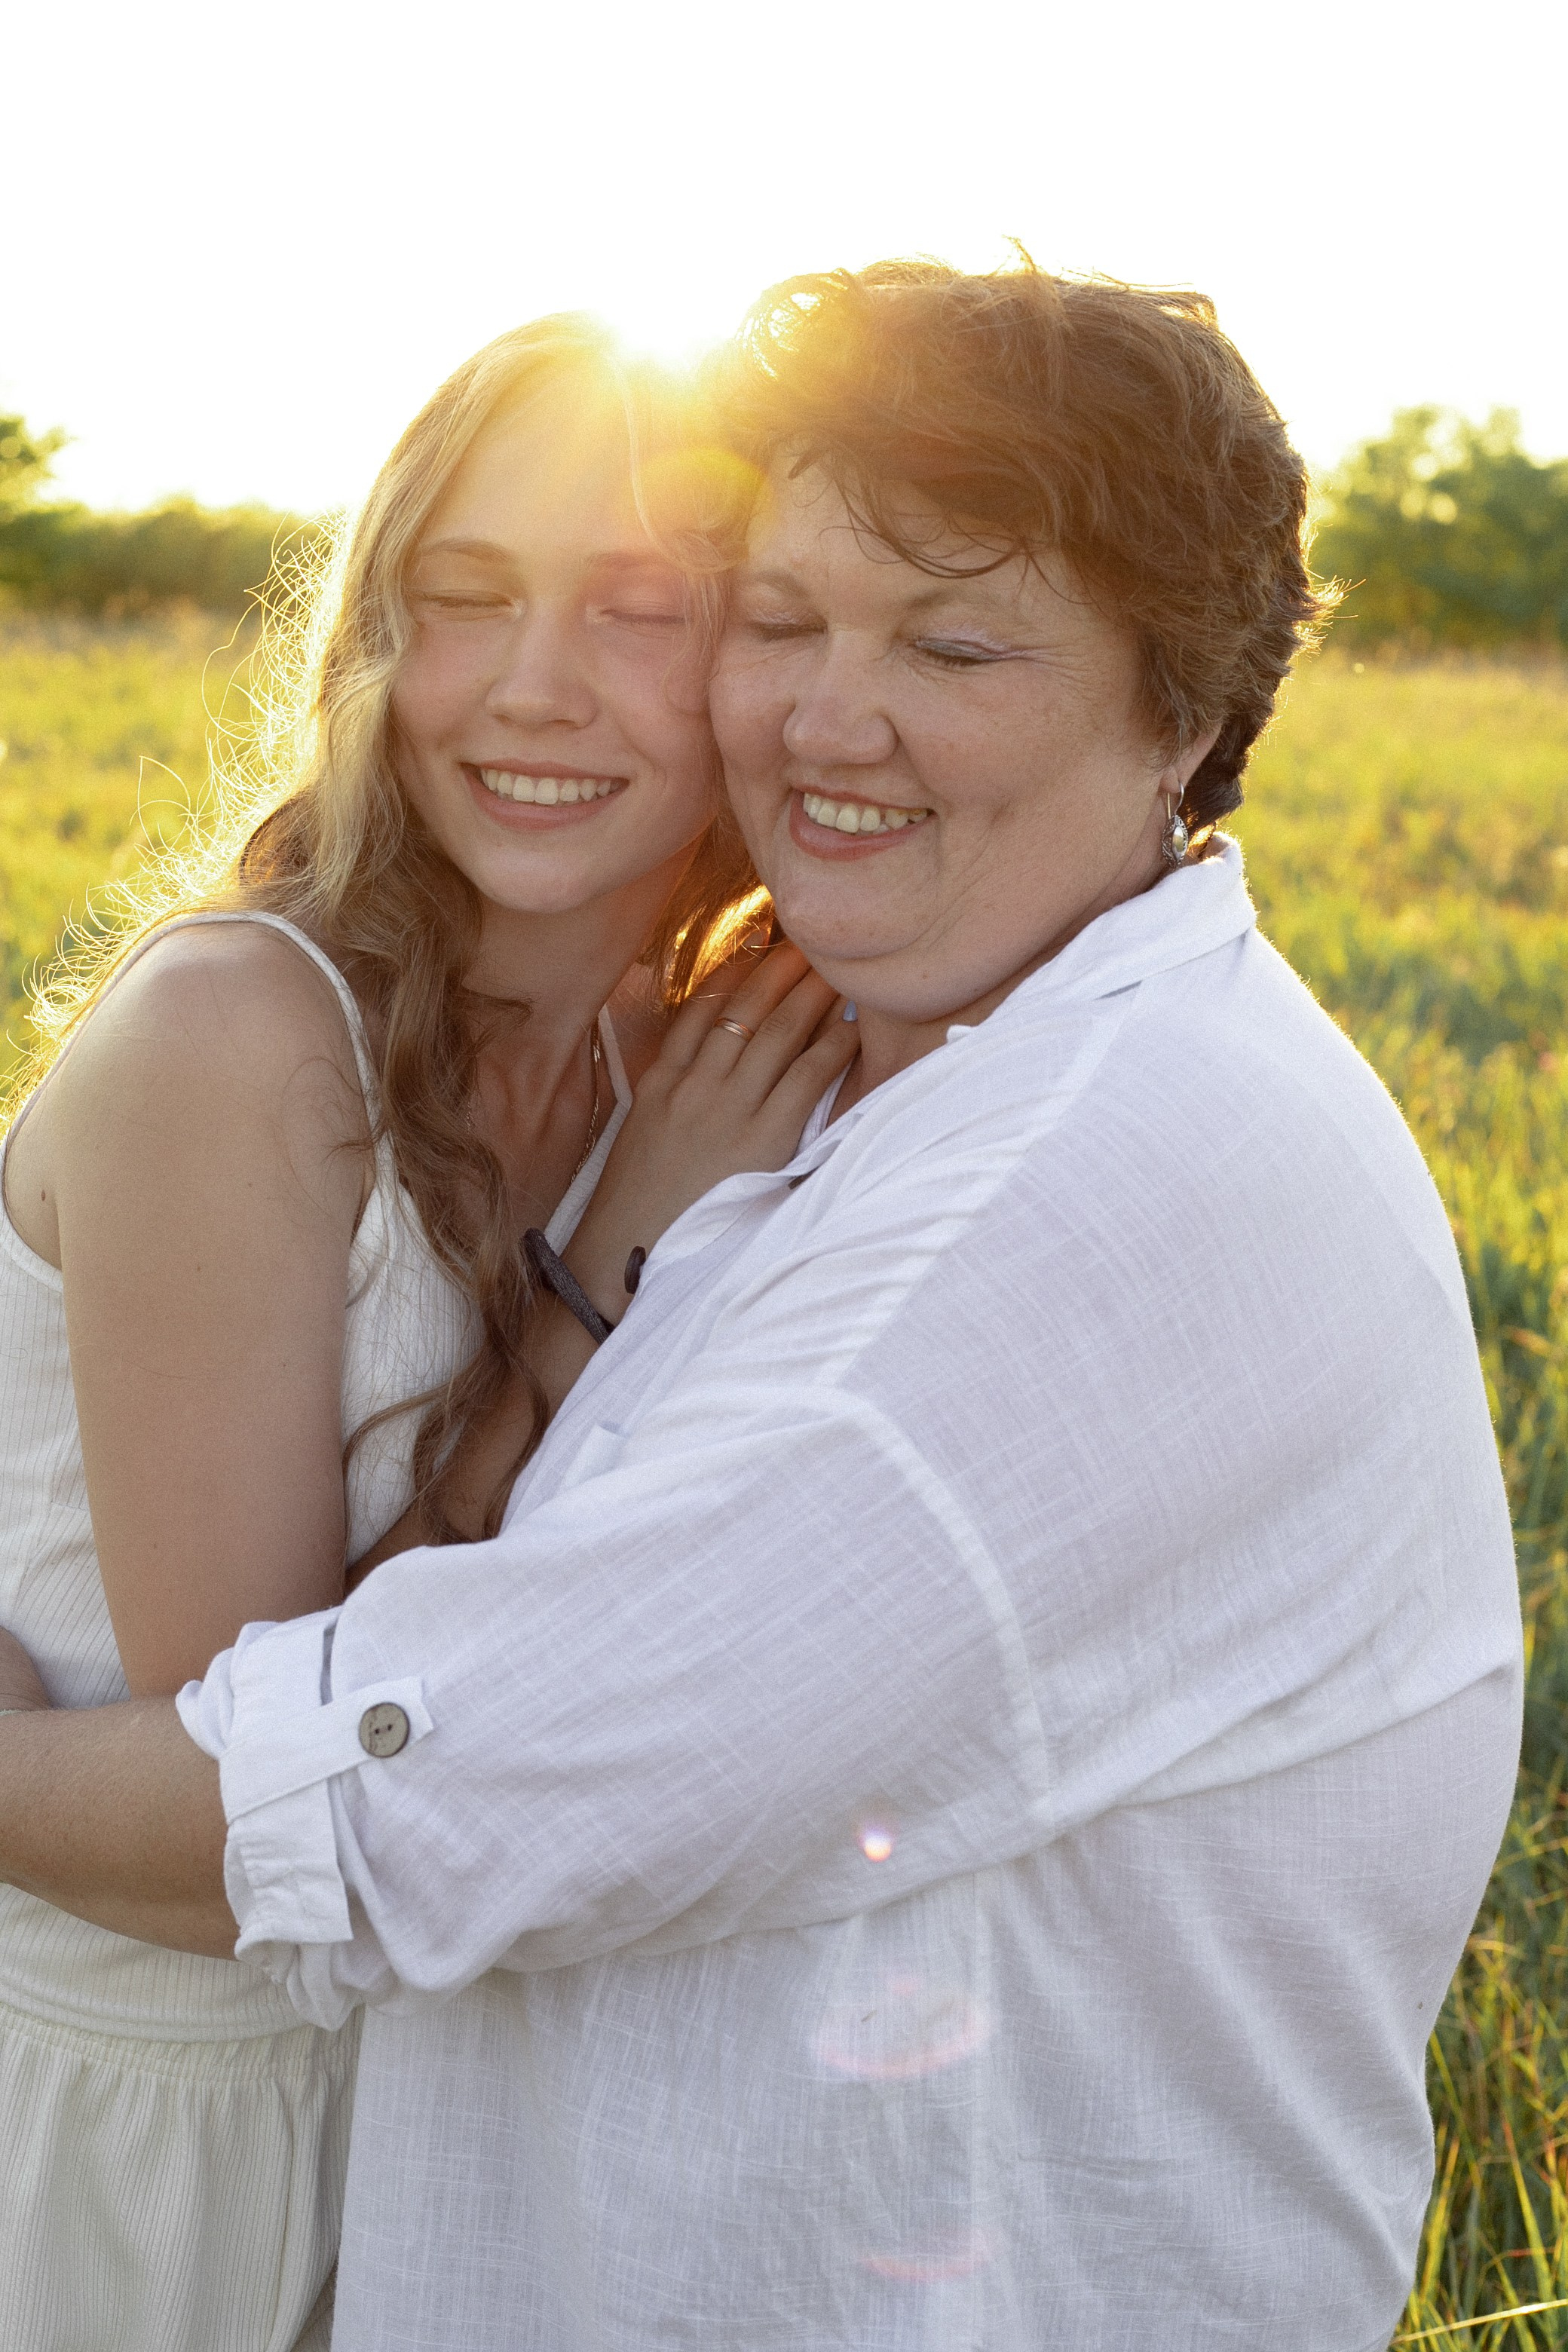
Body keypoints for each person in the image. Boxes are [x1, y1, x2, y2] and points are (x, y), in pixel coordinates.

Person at [0, 259, 1523, 2350]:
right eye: (785, 621)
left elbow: (414, 1785)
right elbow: (335, 1702)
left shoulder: (1016, 1170)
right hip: (169, 2132)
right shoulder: (805, 1047)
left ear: (1184, 708)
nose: (822, 713)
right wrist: (585, 1277)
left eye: (956, 640)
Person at [0, 312, 851, 2352]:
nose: (535, 685)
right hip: (141, 2118)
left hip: (465, 2102)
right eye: (466, 598)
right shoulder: (242, 1042)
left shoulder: (701, 1059)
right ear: (380, 642)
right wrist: (584, 1293)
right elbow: (263, 1811)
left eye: (642, 607)